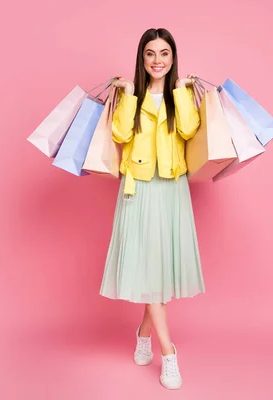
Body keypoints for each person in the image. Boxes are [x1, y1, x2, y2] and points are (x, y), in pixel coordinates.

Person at [98, 27, 205, 390]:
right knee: (153, 274)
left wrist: (181, 91)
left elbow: (190, 131)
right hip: (139, 189)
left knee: (156, 272)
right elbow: (120, 136)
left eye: (164, 53)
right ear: (141, 58)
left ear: (173, 58)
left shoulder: (181, 96)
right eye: (150, 54)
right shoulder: (133, 95)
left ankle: (144, 337)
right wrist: (127, 95)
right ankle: (169, 354)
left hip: (172, 189)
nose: (157, 60)